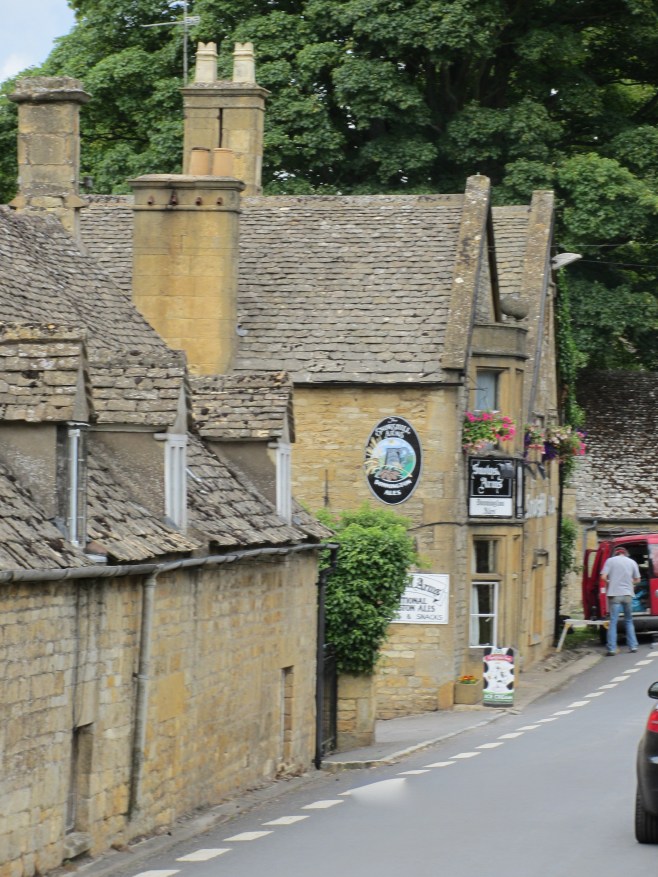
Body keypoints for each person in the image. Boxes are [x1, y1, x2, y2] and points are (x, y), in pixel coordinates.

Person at [601, 546, 641, 655]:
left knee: (613, 621)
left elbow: (603, 577)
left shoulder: (610, 561)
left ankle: (612, 649)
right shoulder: (632, 562)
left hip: (615, 595)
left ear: (616, 553)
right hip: (628, 594)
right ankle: (633, 646)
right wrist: (630, 583)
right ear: (625, 553)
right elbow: (638, 579)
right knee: (628, 620)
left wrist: (610, 581)